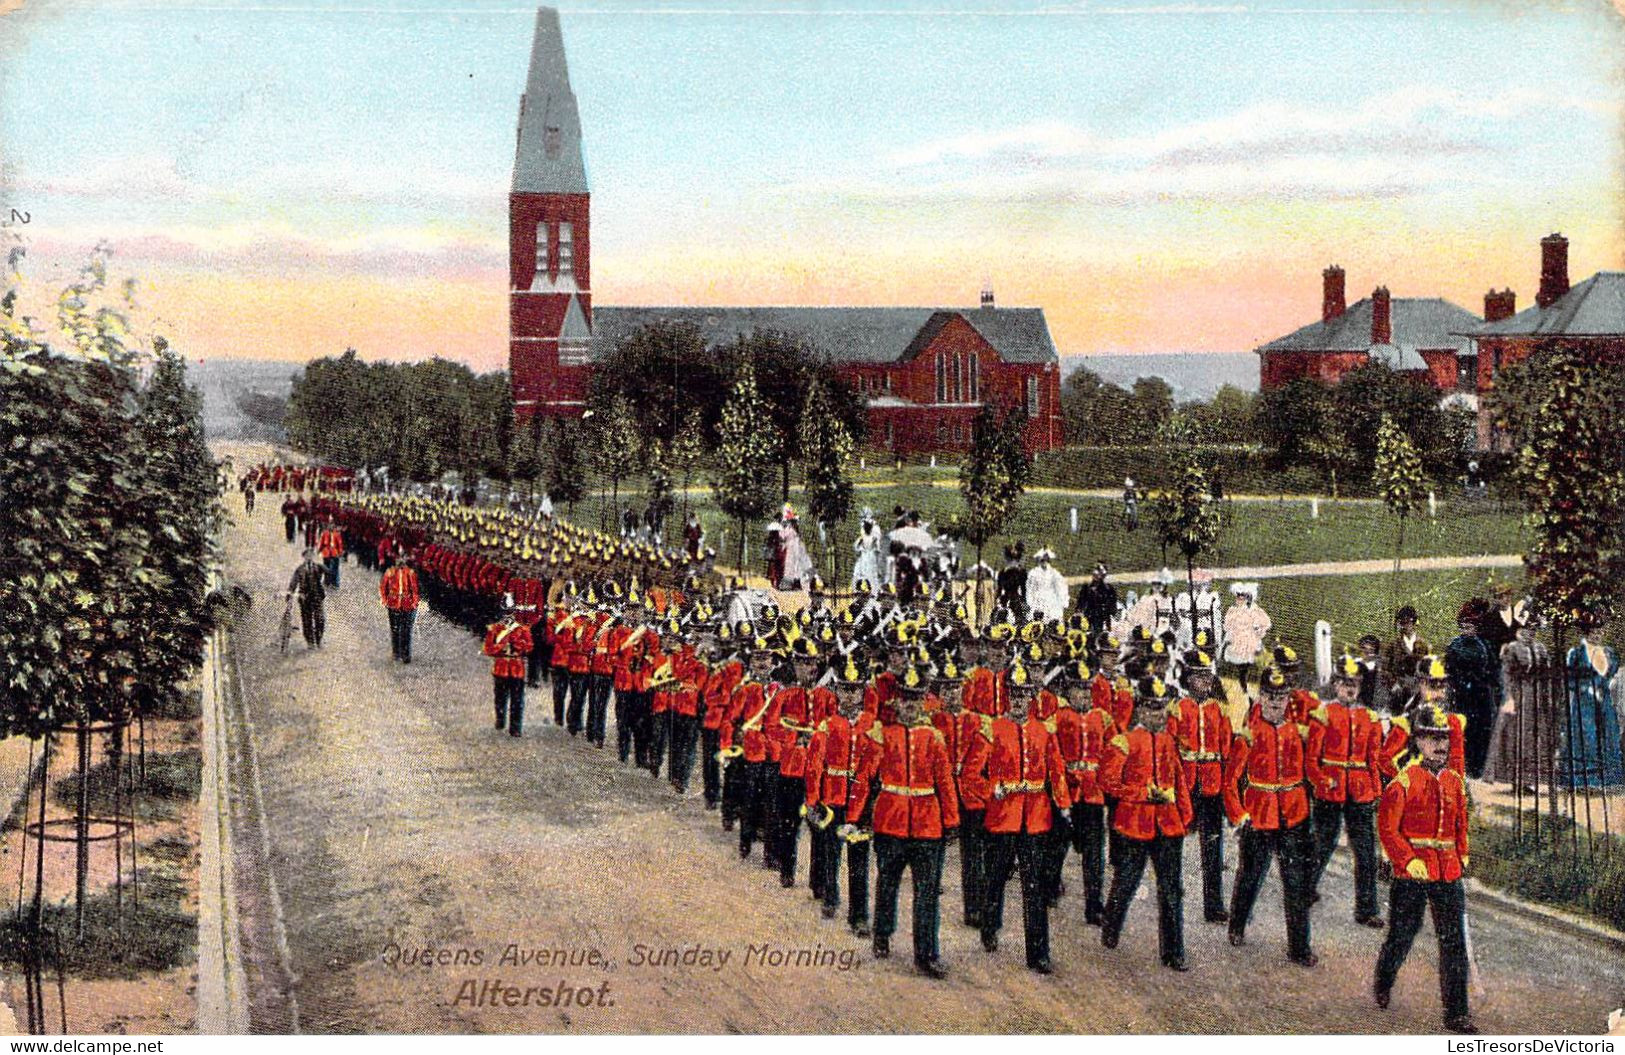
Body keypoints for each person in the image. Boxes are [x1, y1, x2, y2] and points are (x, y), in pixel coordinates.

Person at [962, 660, 1072, 974]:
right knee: (996, 876)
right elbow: (970, 775)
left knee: (1034, 884)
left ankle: (1038, 953)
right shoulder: (992, 729)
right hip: (1003, 814)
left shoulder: (1044, 731)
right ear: (1008, 695)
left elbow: (1057, 772)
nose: (1023, 700)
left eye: (1027, 694)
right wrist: (991, 791)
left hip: (1035, 816)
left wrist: (1063, 805)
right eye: (1017, 694)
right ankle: (989, 927)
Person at [1373, 704, 1476, 1034]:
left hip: (1446, 871)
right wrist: (1407, 860)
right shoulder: (1403, 782)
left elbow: (1460, 823)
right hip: (1413, 872)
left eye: (1444, 738)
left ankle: (1457, 1012)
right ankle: (1384, 978)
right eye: (1432, 738)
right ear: (1417, 741)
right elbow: (1388, 830)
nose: (1440, 745)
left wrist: (1462, 853)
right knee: (1403, 933)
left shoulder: (1454, 782)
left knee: (1454, 942)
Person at [851, 667, 959, 978]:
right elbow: (864, 777)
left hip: (927, 824)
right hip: (891, 821)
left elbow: (945, 781)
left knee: (927, 891)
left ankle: (926, 954)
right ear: (897, 702)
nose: (911, 706)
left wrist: (951, 819)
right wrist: (855, 816)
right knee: (888, 883)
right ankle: (882, 934)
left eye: (917, 700)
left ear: (924, 703)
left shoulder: (933, 738)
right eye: (906, 700)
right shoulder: (882, 734)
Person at [1224, 664, 1317, 967]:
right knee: (1250, 875)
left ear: (1288, 696)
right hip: (1259, 816)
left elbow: (1310, 770)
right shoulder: (1249, 736)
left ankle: (1299, 947)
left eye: (1281, 695)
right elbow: (1230, 781)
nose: (1276, 701)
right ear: (1260, 696)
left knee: (1296, 883)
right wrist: (1239, 815)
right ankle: (1237, 925)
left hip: (1292, 815)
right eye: (1270, 695)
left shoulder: (1298, 733)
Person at [1099, 675, 1192, 971]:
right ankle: (1111, 926)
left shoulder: (1167, 741)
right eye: (1152, 708)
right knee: (1126, 881)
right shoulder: (1124, 742)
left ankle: (1173, 950)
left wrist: (1185, 815)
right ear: (1140, 710)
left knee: (1171, 888)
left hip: (1167, 824)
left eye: (1162, 708)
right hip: (1134, 824)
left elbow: (1178, 779)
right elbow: (1107, 781)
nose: (1158, 714)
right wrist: (1141, 794)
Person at [1305, 655, 1385, 928]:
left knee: (1366, 852)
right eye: (1345, 683)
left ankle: (1367, 908)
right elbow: (1311, 760)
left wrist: (1376, 791)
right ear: (1336, 684)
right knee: (1322, 843)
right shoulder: (1323, 714)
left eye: (1355, 683)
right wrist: (1321, 780)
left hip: (1360, 790)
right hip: (1331, 788)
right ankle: (1304, 889)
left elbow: (1373, 759)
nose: (1350, 688)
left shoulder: (1370, 717)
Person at [806, 657, 875, 934]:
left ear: (862, 692)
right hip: (832, 799)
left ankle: (858, 916)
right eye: (845, 689)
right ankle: (831, 897)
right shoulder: (827, 725)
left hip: (860, 801)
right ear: (838, 692)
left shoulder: (872, 725)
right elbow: (814, 766)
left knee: (859, 860)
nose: (849, 695)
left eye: (854, 689)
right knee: (831, 852)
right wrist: (813, 800)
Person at [1171, 649, 1231, 924]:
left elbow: (1226, 746)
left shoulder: (1218, 709)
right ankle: (1172, 895)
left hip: (1211, 784)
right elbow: (1170, 748)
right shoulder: (1177, 708)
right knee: (1173, 843)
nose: (1207, 681)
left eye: (1209, 676)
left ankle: (1214, 904)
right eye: (1200, 676)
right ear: (1188, 678)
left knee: (1212, 847)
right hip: (1184, 784)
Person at [1489, 620, 1553, 789]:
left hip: (1536, 695)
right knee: (1517, 735)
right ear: (1520, 630)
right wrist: (1509, 696)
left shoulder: (1541, 648)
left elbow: (1547, 672)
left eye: (1533, 629)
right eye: (1527, 629)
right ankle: (1516, 779)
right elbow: (1506, 674)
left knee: (1535, 736)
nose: (1530, 632)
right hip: (1519, 694)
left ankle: (1532, 779)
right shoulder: (1513, 648)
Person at [1562, 614, 1625, 788]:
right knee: (1587, 736)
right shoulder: (1576, 653)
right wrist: (1585, 688)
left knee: (1609, 735)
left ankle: (1610, 779)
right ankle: (1585, 780)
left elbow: (1611, 675)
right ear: (1586, 633)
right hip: (1584, 701)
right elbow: (1568, 679)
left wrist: (1606, 686)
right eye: (1593, 632)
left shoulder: (1609, 653)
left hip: (1604, 700)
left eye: (1600, 631)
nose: (1597, 635)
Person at [1445, 600, 1500, 779]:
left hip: (1481, 694)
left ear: (1476, 627)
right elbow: (1449, 669)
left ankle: (1478, 767)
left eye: (1472, 626)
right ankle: (1461, 765)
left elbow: (1492, 669)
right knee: (1462, 728)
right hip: (1461, 693)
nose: (1468, 629)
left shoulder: (1485, 646)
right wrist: (1458, 684)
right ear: (1461, 626)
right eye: (1465, 625)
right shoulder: (1454, 645)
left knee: (1481, 730)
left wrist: (1487, 684)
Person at [483, 596, 533, 737]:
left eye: (510, 612)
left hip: (517, 668)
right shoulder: (495, 629)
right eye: (505, 612)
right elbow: (488, 648)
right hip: (501, 667)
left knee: (517, 700)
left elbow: (529, 647)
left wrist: (516, 643)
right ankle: (500, 720)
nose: (508, 615)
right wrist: (501, 646)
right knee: (500, 698)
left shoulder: (523, 629)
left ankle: (515, 727)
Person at [1222, 583, 1269, 692]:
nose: (1239, 599)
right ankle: (1240, 681)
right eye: (1238, 597)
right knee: (1239, 663)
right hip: (1237, 639)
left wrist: (1258, 630)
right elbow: (1227, 626)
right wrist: (1229, 636)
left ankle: (1249, 681)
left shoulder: (1253, 610)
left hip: (1249, 639)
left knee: (1250, 661)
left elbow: (1265, 622)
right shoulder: (1232, 610)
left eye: (1242, 597)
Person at [1383, 606, 1431, 703]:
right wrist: (1393, 685)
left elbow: (1428, 670)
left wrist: (1424, 687)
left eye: (1409, 621)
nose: (1406, 625)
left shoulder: (1424, 646)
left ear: (1414, 622)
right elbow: (1385, 669)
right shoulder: (1392, 645)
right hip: (1398, 690)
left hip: (1418, 689)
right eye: (1403, 622)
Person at [379, 551, 420, 663]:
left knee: (406, 630)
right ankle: (396, 653)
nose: (400, 561)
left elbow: (415, 590)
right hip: (393, 603)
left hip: (407, 604)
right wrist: (384, 600)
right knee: (395, 629)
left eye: (402, 558)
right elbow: (383, 588)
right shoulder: (390, 572)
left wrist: (414, 603)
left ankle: (406, 654)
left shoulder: (410, 573)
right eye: (398, 559)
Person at [285, 547, 328, 649]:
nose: (309, 557)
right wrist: (289, 594)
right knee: (307, 621)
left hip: (317, 597)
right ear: (304, 557)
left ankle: (318, 640)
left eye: (311, 555)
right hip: (305, 598)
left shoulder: (318, 567)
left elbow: (330, 573)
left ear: (313, 556)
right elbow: (293, 582)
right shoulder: (300, 569)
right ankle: (310, 642)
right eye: (307, 555)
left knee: (320, 619)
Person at [1024, 548, 1068, 624]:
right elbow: (1030, 588)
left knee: (1053, 618)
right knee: (1037, 619)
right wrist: (1030, 601)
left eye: (1046, 560)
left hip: (1050, 599)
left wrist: (1063, 601)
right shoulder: (1033, 573)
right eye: (1042, 560)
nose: (1044, 562)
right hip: (1037, 599)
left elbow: (1059, 588)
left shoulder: (1054, 573)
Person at [778, 504, 815, 591]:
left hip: (796, 547)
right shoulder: (786, 528)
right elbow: (782, 537)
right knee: (791, 566)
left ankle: (801, 583)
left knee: (800, 565)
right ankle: (792, 583)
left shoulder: (791, 528)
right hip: (791, 547)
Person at [1075, 563, 1117, 639]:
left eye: (1099, 575)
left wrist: (1111, 614)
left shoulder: (1108, 589)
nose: (1096, 576)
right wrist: (1078, 610)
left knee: (1099, 634)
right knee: (1086, 632)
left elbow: (1112, 602)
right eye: (1095, 574)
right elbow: (1081, 599)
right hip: (1089, 613)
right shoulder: (1087, 586)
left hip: (1101, 616)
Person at [852, 510, 886, 593]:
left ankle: (872, 590)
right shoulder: (868, 538)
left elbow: (856, 548)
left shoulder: (867, 537)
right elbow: (877, 549)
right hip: (868, 557)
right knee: (864, 573)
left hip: (868, 557)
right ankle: (862, 589)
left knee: (868, 574)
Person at [996, 544, 1027, 621]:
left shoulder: (1020, 571)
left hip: (1009, 597)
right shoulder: (1004, 572)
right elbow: (1023, 588)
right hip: (1010, 596)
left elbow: (1023, 588)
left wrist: (1024, 600)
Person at [318, 519, 345, 589]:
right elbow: (321, 542)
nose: (331, 527)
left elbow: (340, 544)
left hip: (334, 553)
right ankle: (327, 581)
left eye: (332, 525)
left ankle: (334, 583)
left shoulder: (337, 534)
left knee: (335, 569)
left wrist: (340, 552)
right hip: (326, 552)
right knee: (326, 568)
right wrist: (319, 550)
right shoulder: (325, 533)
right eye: (330, 525)